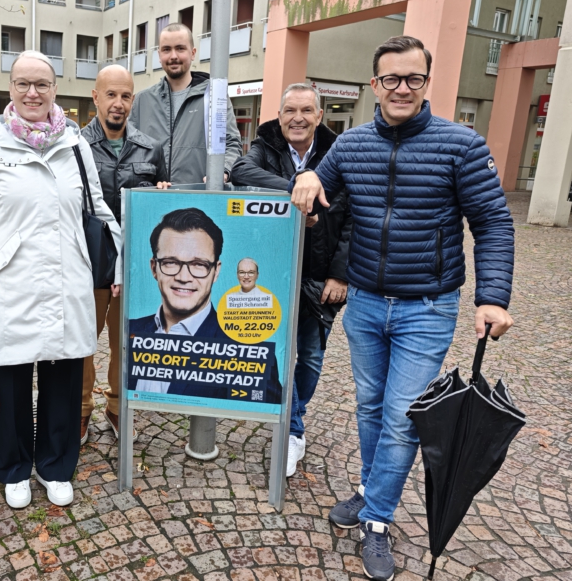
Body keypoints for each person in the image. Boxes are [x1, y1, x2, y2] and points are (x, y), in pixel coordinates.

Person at [289, 36, 515, 581]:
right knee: (370, 408)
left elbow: (493, 222)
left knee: (400, 419)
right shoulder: (351, 144)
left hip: (427, 307)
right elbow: (321, 188)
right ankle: (372, 488)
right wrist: (310, 175)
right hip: (365, 303)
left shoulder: (459, 144)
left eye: (413, 78)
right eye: (391, 78)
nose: (401, 89)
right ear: (375, 85)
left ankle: (378, 520)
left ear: (426, 83)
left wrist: (492, 297)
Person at [0, 50, 123, 510]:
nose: (33, 93)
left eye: (42, 84)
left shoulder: (74, 145)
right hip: (10, 286)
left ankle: (55, 466)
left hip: (68, 280)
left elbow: (98, 209)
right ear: (10, 89)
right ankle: (13, 468)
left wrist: (117, 261)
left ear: (56, 91)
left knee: (64, 379)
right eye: (23, 84)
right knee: (13, 385)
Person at [231, 82, 352, 478]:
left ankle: (291, 418)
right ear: (279, 116)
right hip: (274, 269)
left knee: (311, 356)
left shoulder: (339, 151)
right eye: (289, 111)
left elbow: (354, 218)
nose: (297, 118)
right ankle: (291, 430)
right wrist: (298, 185)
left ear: (319, 116)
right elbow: (243, 171)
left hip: (321, 274)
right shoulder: (265, 144)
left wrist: (340, 273)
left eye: (305, 111)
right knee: (278, 352)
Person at [79, 65, 166, 444]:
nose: (118, 103)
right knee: (83, 341)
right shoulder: (75, 145)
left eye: (126, 96)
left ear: (133, 99)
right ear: (95, 97)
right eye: (111, 95)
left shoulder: (150, 147)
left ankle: (117, 406)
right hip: (89, 260)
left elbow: (159, 206)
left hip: (133, 265)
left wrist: (164, 192)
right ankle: (81, 409)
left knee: (126, 340)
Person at [129, 208, 282, 403]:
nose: (183, 277)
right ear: (154, 268)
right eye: (170, 262)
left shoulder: (247, 349)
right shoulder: (130, 331)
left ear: (215, 271)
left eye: (199, 265)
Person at [129, 23, 242, 184]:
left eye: (180, 48)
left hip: (198, 199)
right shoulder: (142, 100)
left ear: (193, 53)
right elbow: (130, 151)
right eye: (167, 49)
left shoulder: (214, 98)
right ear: (159, 55)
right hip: (153, 198)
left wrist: (222, 172)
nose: (173, 56)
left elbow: (231, 143)